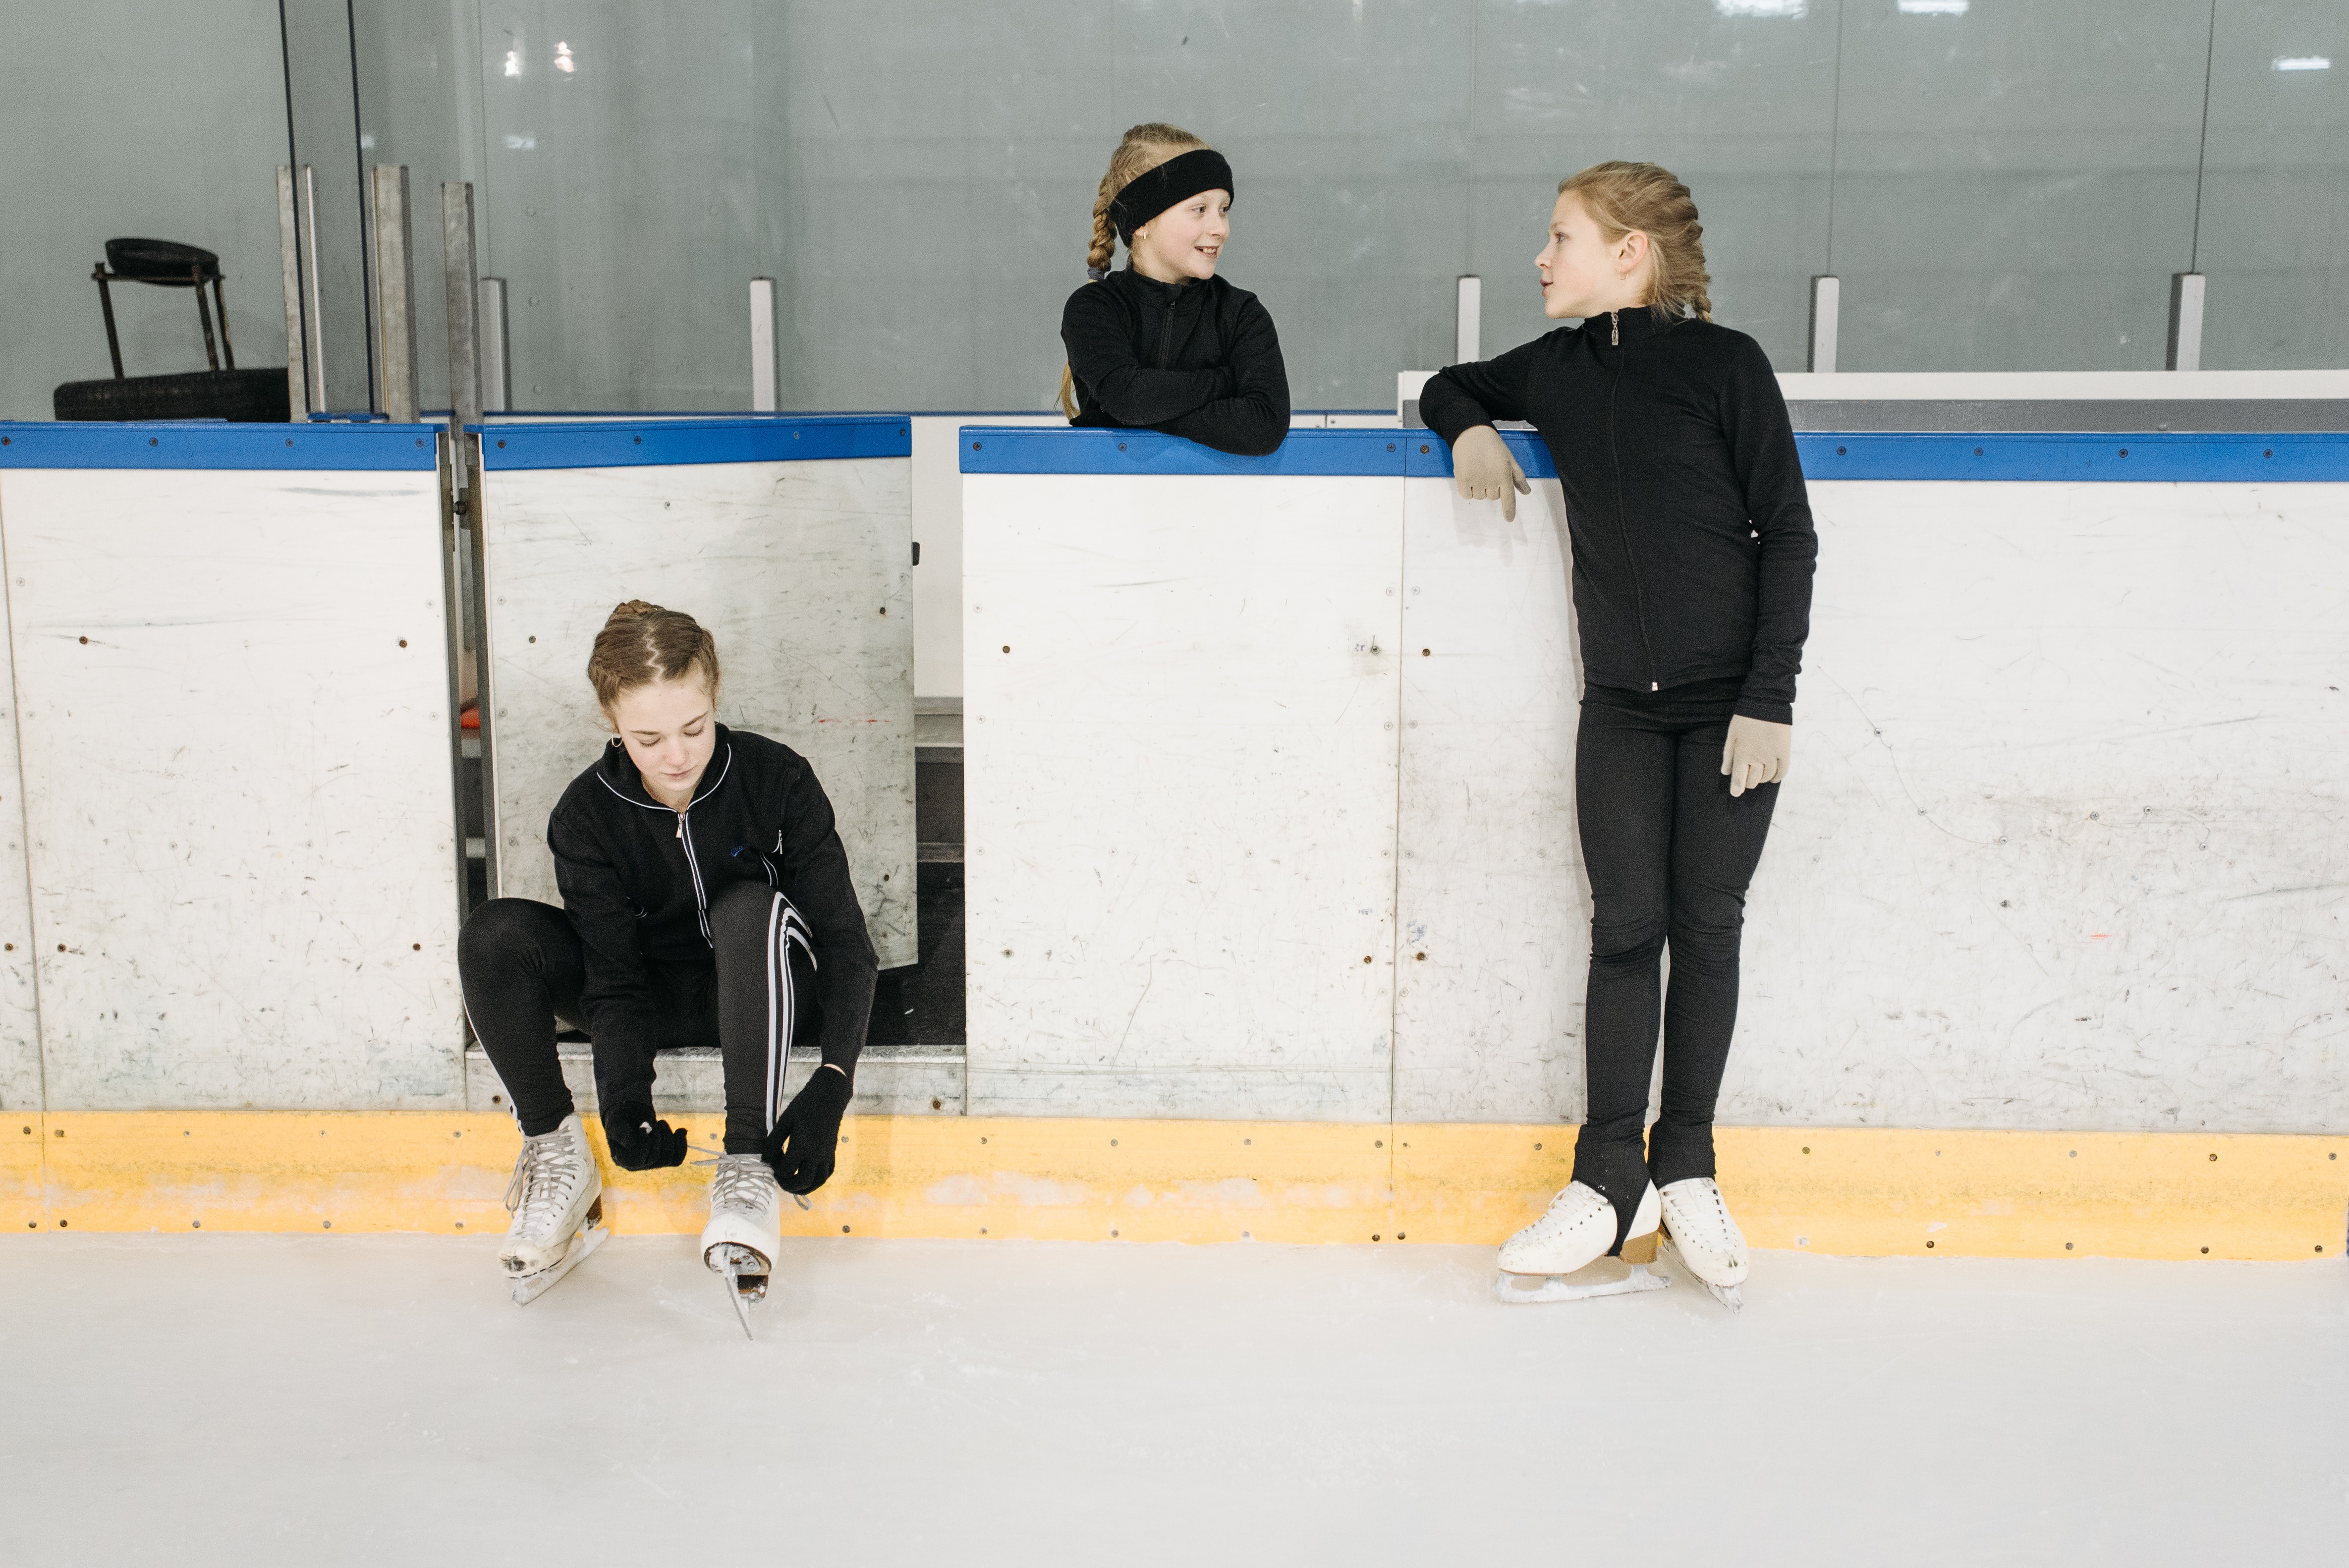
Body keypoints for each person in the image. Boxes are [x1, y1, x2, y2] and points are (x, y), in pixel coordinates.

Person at [1419, 162, 1817, 1310]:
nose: (1541, 260)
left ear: (1630, 252)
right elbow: (1450, 382)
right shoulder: (1555, 368)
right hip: (1624, 711)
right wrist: (1470, 432)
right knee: (1625, 929)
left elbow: (1788, 537)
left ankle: (1684, 1162)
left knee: (1709, 924)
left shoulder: (1724, 366)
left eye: (1561, 239)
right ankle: (1607, 1178)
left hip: (1731, 707)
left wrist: (1770, 698)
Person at [458, 601, 878, 1330]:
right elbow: (613, 975)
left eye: (695, 729)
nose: (677, 757)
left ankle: (745, 1169)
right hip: (653, 994)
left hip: (768, 987)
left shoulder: (777, 779)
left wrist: (833, 1082)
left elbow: (847, 943)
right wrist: (624, 1101)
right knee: (494, 936)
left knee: (749, 904)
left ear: (715, 696)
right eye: (648, 739)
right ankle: (555, 1154)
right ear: (612, 724)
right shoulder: (586, 816)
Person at [1057, 121, 1290, 456]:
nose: (1220, 228)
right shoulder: (1094, 308)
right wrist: (1224, 382)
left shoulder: (1240, 314)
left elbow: (1265, 426)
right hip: (1108, 503)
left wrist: (1129, 414)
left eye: (1223, 210)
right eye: (1200, 210)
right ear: (1141, 222)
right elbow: (1130, 399)